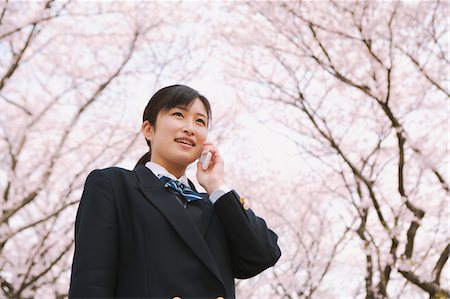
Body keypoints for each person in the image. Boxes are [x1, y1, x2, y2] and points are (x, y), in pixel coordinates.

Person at [68, 84, 281, 298]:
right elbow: (91, 282)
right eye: (178, 114)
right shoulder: (114, 185)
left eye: (200, 121)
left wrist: (216, 185)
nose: (190, 128)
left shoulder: (216, 205)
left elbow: (263, 255)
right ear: (149, 129)